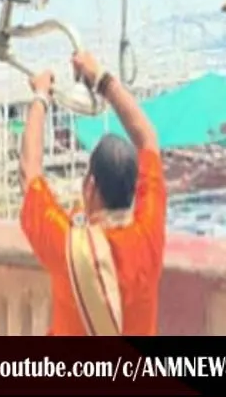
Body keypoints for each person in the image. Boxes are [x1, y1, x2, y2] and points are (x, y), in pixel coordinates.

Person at [19, 51, 167, 336]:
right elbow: (148, 139)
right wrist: (101, 78)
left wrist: (40, 95)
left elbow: (30, 175)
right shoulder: (149, 238)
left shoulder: (68, 246)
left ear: (91, 186)